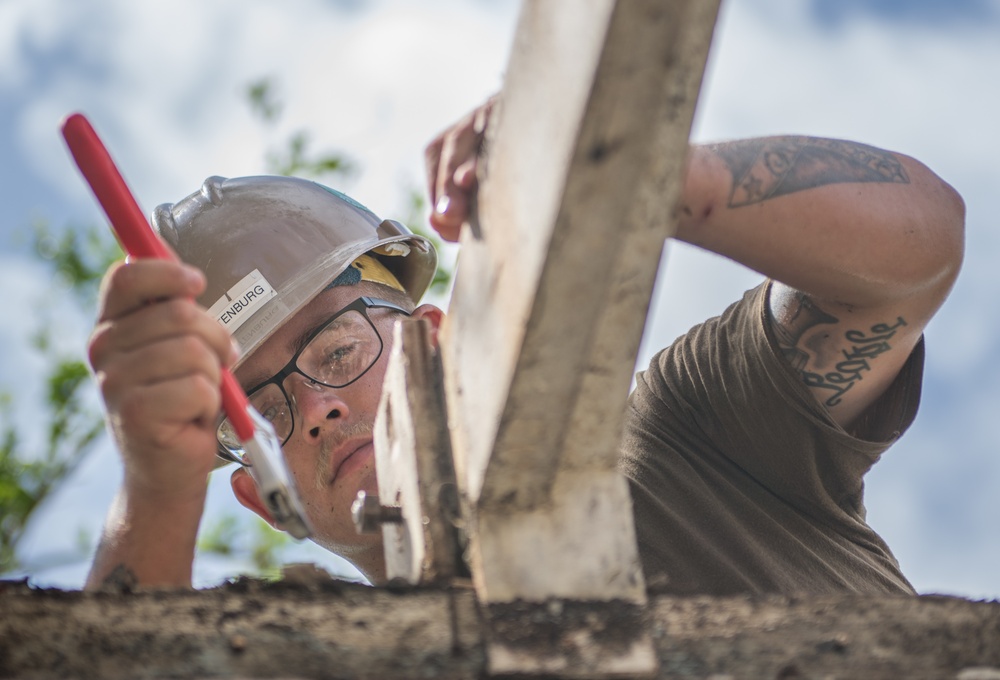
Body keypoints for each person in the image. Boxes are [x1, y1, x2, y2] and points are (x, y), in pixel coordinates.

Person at [85, 99, 964, 595]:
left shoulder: (693, 440)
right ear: (259, 497)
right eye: (262, 409)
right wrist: (154, 493)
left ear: (430, 333)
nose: (315, 407)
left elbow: (916, 249)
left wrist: (641, 175)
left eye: (340, 346)